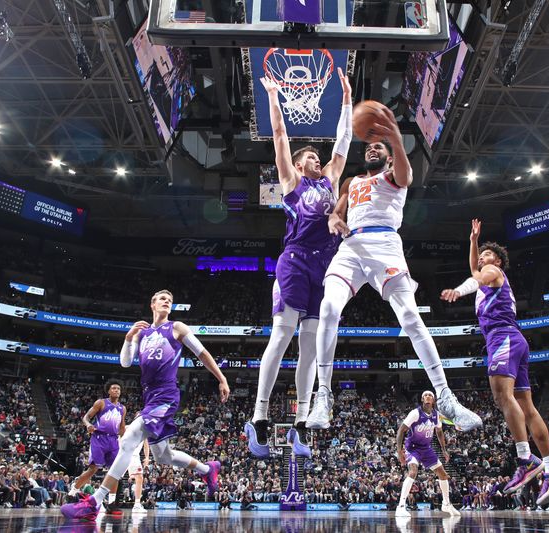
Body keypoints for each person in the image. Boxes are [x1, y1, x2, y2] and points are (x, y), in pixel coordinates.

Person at [305, 105, 481, 433]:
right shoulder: (351, 182)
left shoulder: (394, 174)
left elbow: (407, 175)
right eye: (369, 145)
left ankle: (446, 399)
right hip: (352, 247)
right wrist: (334, 219)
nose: (371, 147)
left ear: (388, 156)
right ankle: (324, 395)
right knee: (328, 309)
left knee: (411, 319)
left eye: (378, 147)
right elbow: (337, 213)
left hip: (386, 246)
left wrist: (396, 140)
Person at [245, 69, 353, 459]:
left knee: (310, 347)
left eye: (318, 157)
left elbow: (343, 141)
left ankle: (301, 424)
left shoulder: (331, 180)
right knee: (282, 335)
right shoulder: (293, 183)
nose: (317, 158)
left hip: (324, 267)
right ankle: (259, 417)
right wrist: (274, 97)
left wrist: (345, 98)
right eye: (311, 155)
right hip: (293, 262)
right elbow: (279, 137)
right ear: (300, 162)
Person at [61, 290, 230, 521]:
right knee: (163, 456)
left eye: (170, 300)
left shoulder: (176, 327)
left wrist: (221, 378)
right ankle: (208, 469)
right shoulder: (143, 332)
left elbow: (201, 353)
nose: (167, 302)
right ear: (152, 305)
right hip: (150, 398)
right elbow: (125, 362)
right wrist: (129, 337)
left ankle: (94, 502)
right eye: (162, 299)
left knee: (129, 439)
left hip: (167, 395)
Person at [440, 219, 549, 506]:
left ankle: (525, 460)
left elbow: (477, 275)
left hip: (502, 338)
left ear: (496, 260)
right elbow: (474, 269)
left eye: (487, 253)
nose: (482, 257)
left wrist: (459, 291)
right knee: (527, 406)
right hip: (516, 340)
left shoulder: (492, 271)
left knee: (502, 397)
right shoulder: (488, 275)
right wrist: (473, 242)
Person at [395, 391, 460, 518]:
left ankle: (446, 504)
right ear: (422, 399)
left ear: (433, 400)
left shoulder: (436, 415)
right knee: (413, 472)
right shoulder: (415, 413)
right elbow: (401, 430)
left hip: (426, 448)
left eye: (430, 395)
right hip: (412, 448)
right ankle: (401, 506)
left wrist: (444, 450)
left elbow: (439, 432)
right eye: (425, 395)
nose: (428, 397)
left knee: (443, 474)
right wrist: (399, 451)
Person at [68, 380, 126, 515]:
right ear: (109, 391)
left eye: (118, 388)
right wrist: (88, 424)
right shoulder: (101, 402)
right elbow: (86, 417)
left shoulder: (122, 408)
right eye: (114, 388)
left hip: (113, 440)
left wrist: (124, 440)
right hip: (99, 438)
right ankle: (73, 491)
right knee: (93, 468)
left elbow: (122, 427)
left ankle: (111, 503)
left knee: (115, 472)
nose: (116, 390)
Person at [127, 428, 149, 513]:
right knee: (114, 477)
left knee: (139, 477)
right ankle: (103, 500)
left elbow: (146, 445)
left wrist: (147, 457)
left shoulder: (145, 431)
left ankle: (136, 504)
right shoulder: (128, 427)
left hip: (134, 456)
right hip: (125, 453)